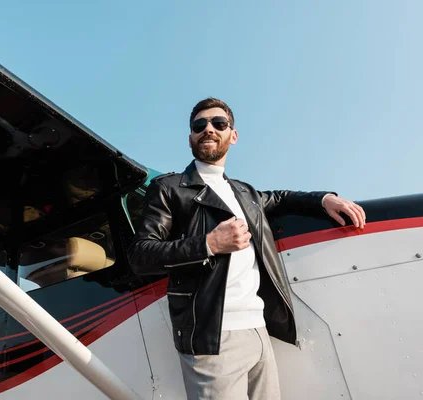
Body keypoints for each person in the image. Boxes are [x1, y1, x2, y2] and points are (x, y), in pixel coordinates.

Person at [126, 97, 366, 400]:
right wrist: (209, 244)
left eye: (218, 123)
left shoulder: (245, 193)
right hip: (213, 337)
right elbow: (141, 255)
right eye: (199, 125)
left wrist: (325, 199)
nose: (208, 129)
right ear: (191, 137)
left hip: (259, 332)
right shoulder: (169, 188)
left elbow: (282, 198)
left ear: (233, 135)